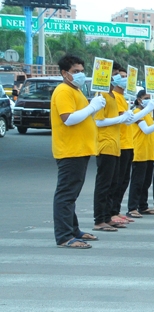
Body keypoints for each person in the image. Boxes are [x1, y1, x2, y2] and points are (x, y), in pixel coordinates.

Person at [50, 54, 105, 248]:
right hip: (70, 150)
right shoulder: (64, 90)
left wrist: (93, 107)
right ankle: (65, 236)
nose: (80, 74)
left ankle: (73, 230)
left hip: (79, 150)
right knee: (66, 194)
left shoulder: (76, 90)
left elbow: (82, 116)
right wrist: (92, 107)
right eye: (76, 72)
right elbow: (68, 118)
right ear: (65, 73)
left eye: (82, 71)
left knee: (71, 194)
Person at [92, 63, 133, 232]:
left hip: (115, 145)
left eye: (119, 74)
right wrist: (119, 119)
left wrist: (123, 117)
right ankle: (99, 219)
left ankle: (107, 216)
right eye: (115, 74)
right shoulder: (101, 95)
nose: (118, 77)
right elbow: (99, 121)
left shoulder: (112, 97)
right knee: (104, 184)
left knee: (112, 183)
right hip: (105, 144)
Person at [126, 91, 154, 218]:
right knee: (137, 182)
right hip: (139, 151)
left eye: (150, 98)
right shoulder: (138, 113)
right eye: (146, 98)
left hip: (149, 151)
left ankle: (143, 206)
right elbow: (147, 130)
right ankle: (132, 207)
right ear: (139, 100)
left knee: (146, 182)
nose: (149, 100)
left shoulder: (147, 114)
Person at [108, 65, 136, 226]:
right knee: (116, 182)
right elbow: (121, 117)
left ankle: (116, 210)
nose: (123, 78)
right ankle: (111, 212)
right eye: (119, 75)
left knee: (124, 180)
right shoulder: (113, 97)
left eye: (124, 76)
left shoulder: (122, 97)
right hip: (119, 144)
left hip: (127, 143)